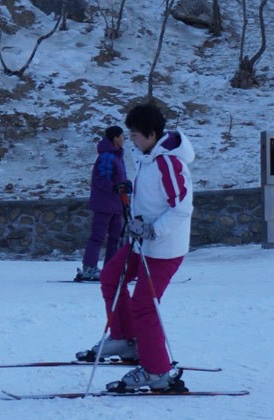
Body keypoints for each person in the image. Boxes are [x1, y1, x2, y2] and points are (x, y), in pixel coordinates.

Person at [82, 103, 195, 392]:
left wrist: (153, 230)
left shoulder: (169, 163)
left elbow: (182, 208)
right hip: (141, 243)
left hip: (164, 249)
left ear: (151, 133)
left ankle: (157, 370)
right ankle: (125, 338)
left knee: (144, 305)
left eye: (134, 133)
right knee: (110, 277)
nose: (130, 138)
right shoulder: (145, 156)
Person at [76, 125, 130, 281]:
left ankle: (111, 269)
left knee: (115, 238)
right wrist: (116, 187)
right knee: (98, 236)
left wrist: (125, 185)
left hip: (116, 205)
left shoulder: (117, 157)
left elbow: (117, 179)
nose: (124, 139)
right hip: (104, 204)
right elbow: (101, 179)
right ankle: (89, 268)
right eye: (122, 136)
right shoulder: (107, 156)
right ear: (115, 138)